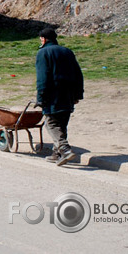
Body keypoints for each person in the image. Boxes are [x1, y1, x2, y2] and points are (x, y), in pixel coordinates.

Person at [35, 27, 84, 166]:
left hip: (53, 95)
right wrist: (78, 95)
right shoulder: (67, 51)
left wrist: (40, 98)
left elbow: (42, 78)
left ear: (43, 39)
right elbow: (78, 74)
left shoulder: (43, 53)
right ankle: (57, 154)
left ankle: (65, 149)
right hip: (68, 94)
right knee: (62, 123)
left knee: (50, 123)